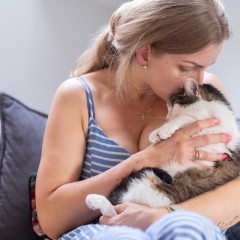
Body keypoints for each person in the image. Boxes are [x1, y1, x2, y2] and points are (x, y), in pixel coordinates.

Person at [35, 0, 240, 239]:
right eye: (186, 67)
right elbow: (51, 219)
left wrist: (165, 215)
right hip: (105, 230)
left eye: (204, 67)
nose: (198, 78)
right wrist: (143, 161)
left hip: (184, 225)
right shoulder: (78, 96)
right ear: (144, 54)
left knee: (188, 228)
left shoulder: (203, 95)